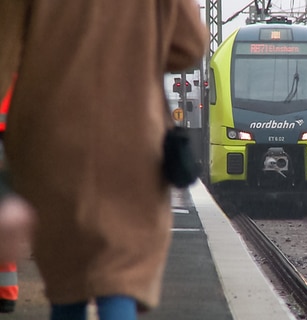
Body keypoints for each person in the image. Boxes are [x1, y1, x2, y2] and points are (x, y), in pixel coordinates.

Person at [0, 1, 208, 319]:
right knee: (121, 276)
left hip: (49, 142)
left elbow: (4, 52)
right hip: (135, 142)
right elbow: (188, 46)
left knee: (66, 279)